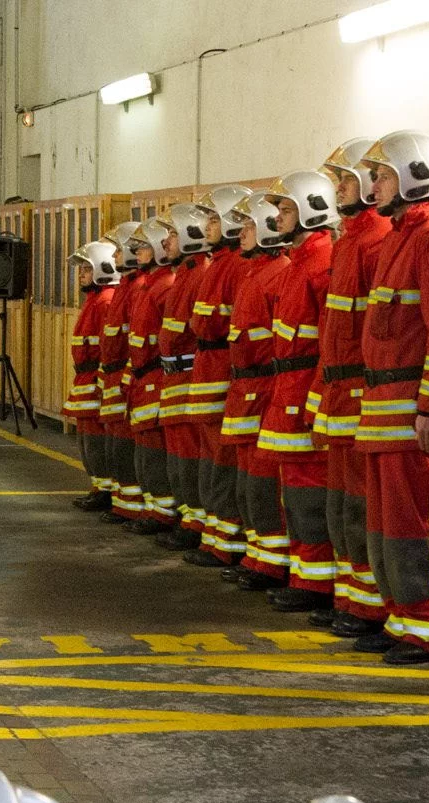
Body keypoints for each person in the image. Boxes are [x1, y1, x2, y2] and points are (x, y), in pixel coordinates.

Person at [357, 130, 429, 660]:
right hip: (381, 409)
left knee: (411, 522)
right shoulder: (398, 235)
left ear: (411, 175)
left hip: (407, 410)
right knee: (382, 522)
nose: (373, 185)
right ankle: (399, 614)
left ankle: (426, 624)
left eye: (381, 175)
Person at [308, 141, 392, 635]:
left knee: (361, 504)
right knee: (341, 503)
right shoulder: (350, 241)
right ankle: (350, 599)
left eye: (347, 180)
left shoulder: (376, 241)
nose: (339, 188)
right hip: (341, 393)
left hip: (365, 393)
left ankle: (372, 605)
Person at [255, 171, 339, 612]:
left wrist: (317, 396)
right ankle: (304, 573)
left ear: (312, 209)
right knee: (296, 486)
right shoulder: (300, 261)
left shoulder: (321, 262)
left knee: (309, 488)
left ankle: (315, 583)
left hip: (304, 384)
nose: (278, 218)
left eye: (286, 209)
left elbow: (331, 340)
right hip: (289, 383)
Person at [219, 195, 295, 590]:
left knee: (265, 480)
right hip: (246, 386)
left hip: (265, 385)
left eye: (248, 226)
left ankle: (272, 561)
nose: (241, 233)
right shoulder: (254, 273)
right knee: (249, 479)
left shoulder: (279, 273)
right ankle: (257, 554)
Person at [183, 189, 252, 565]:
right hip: (208, 369)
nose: (206, 227)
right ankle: (214, 535)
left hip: (223, 370)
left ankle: (226, 541)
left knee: (222, 457)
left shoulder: (237, 266)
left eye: (212, 219)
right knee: (210, 455)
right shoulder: (219, 265)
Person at [157, 203, 217, 551]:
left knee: (190, 452)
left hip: (188, 372)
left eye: (173, 234)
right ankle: (188, 515)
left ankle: (195, 520)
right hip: (175, 375)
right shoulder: (186, 275)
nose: (167, 242)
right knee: (180, 453)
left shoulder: (197, 275)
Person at [124, 218, 180, 535]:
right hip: (143, 378)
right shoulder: (149, 286)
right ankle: (153, 509)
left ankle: (163, 512)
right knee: (145, 450)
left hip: (157, 377)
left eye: (143, 247)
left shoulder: (164, 287)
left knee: (155, 450)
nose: (137, 253)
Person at [63, 241, 119, 510]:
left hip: (95, 378)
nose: (81, 274)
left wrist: (100, 379)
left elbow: (107, 346)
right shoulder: (94, 300)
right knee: (87, 437)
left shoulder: (105, 301)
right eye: (81, 269)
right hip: (85, 378)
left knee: (96, 437)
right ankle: (99, 486)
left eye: (86, 269)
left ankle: (105, 489)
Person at [100, 222, 147, 523]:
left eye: (119, 249)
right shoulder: (126, 287)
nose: (114, 256)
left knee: (127, 444)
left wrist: (128, 374)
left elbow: (135, 338)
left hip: (130, 375)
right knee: (117, 444)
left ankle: (132, 506)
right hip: (117, 374)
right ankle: (123, 503)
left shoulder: (138, 288)